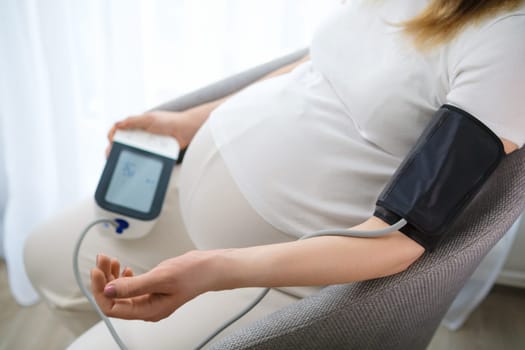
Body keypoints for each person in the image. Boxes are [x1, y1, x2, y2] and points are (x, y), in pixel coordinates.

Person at [24, 0, 524, 348]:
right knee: (44, 255)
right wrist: (189, 123)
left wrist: (216, 268)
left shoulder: (510, 45)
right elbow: (323, 65)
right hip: (197, 208)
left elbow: (401, 239)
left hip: (274, 274)